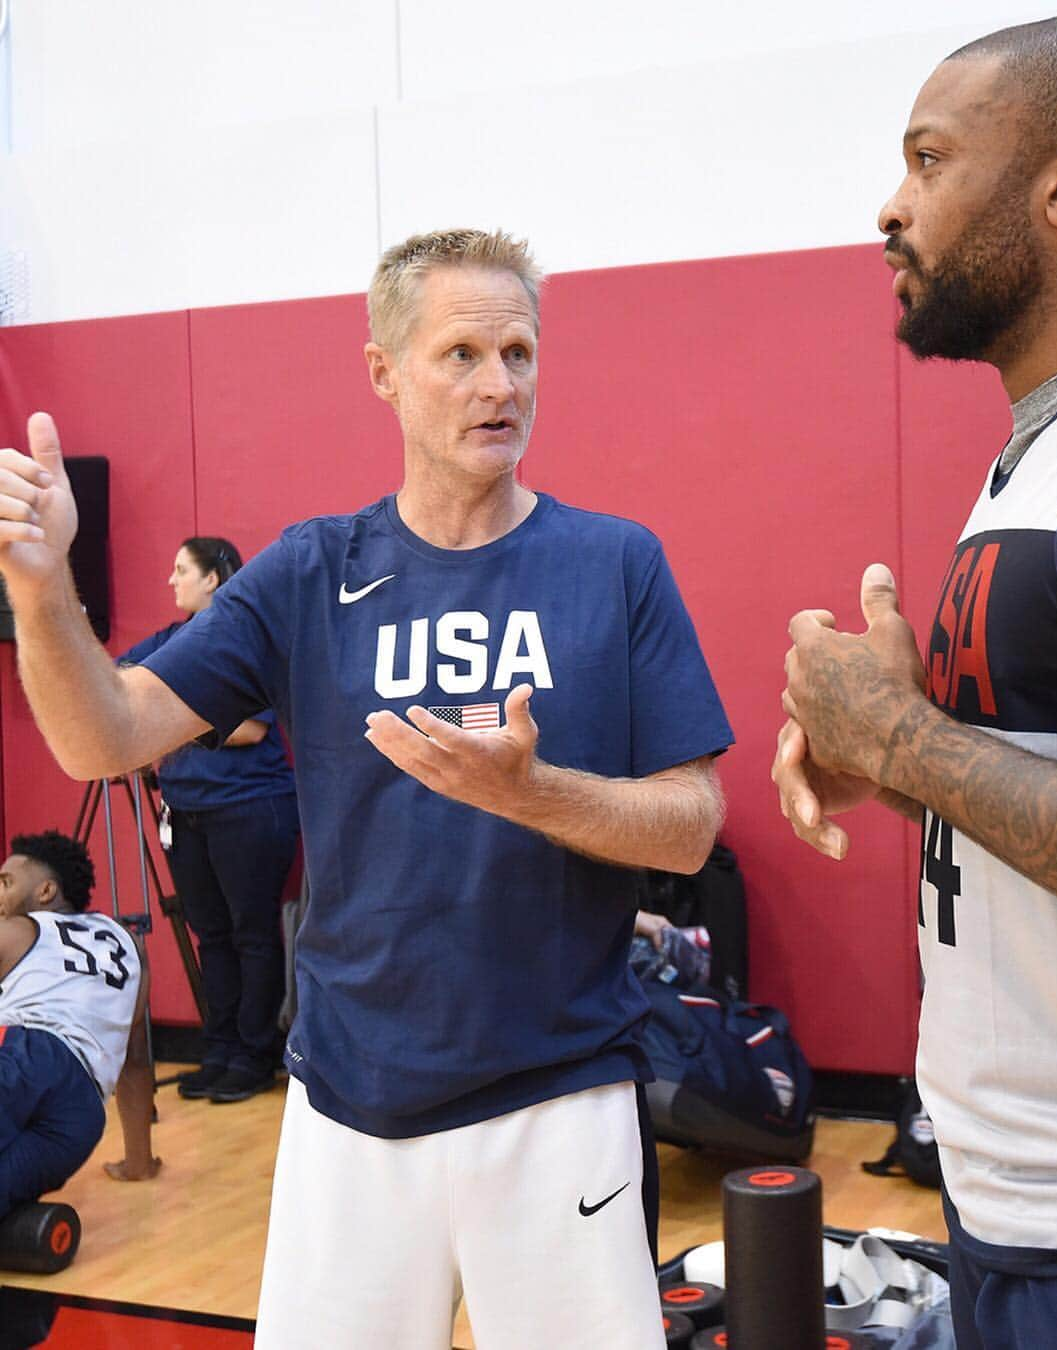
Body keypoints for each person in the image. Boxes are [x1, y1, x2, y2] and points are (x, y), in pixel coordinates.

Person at [0, 228, 732, 1348]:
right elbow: (104, 738)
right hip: (348, 1097)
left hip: (561, 1093)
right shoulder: (311, 567)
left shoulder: (615, 563)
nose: (501, 385)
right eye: (463, 355)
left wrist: (531, 792)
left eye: (521, 353)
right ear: (384, 371)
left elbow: (690, 828)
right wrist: (44, 593)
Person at [772, 18, 1057, 1349]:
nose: (891, 206)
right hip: (1004, 1192)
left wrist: (902, 735)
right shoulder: (1028, 457)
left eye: (930, 159)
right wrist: (894, 760)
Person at [119, 537, 300, 1105]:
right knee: (210, 936)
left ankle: (254, 1053)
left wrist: (170, 719)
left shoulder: (246, 638)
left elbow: (249, 728)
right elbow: (122, 687)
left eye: (181, 571)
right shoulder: (169, 642)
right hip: (187, 813)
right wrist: (179, 717)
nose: (171, 581)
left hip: (249, 808)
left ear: (214, 579)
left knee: (251, 933)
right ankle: (218, 1048)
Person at [0, 830, 159, 1221]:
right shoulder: (130, 946)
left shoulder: (18, 931)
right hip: (82, 1115)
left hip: (27, 1059)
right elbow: (134, 1057)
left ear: (45, 891)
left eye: (5, 882)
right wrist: (138, 1161)